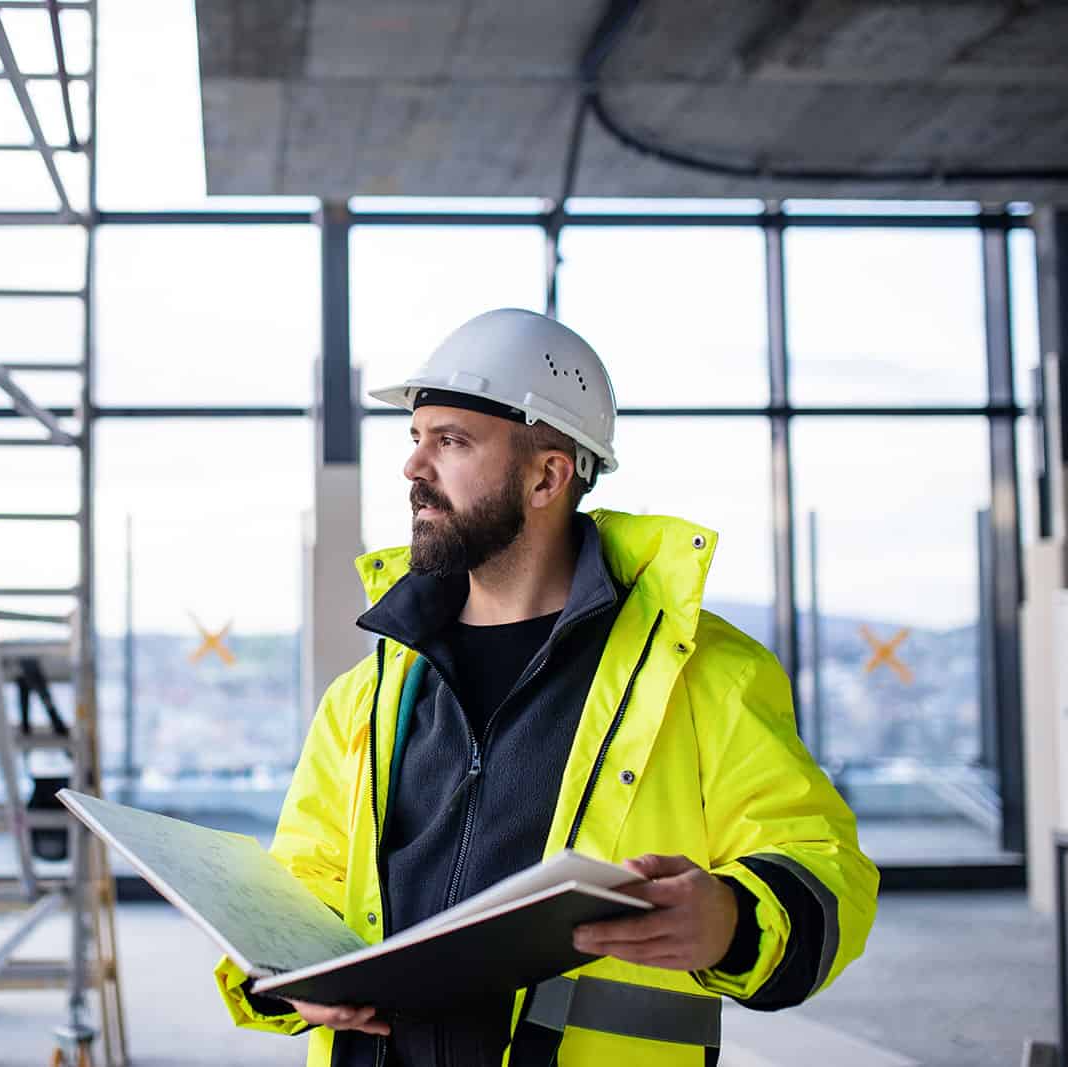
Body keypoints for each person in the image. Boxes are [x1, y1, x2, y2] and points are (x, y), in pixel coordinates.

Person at [212, 309, 879, 1066]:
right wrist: (280, 972)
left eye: (452, 441)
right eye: (416, 437)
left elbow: (830, 869)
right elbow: (305, 883)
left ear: (548, 474)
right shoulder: (366, 695)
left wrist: (731, 917)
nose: (413, 468)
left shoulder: (705, 676)